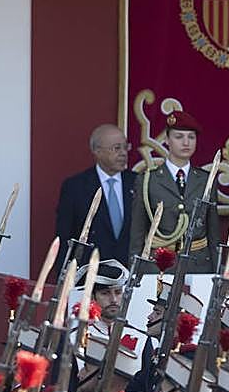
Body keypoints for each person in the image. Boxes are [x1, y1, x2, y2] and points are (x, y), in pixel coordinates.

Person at [129, 111, 220, 274]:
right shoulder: (148, 179)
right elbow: (137, 232)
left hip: (198, 265)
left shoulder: (207, 180)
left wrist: (217, 270)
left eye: (191, 137)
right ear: (166, 140)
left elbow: (213, 233)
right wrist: (135, 271)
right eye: (179, 137)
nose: (186, 142)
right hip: (159, 265)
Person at [54, 123, 136, 271]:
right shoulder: (75, 187)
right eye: (116, 148)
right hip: (90, 274)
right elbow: (65, 237)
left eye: (125, 147)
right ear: (97, 151)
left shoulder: (138, 183)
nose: (123, 153)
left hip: (130, 274)